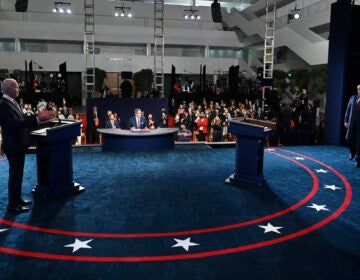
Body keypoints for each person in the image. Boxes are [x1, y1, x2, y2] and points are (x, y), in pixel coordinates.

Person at [0, 78, 52, 213]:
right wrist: (37, 119)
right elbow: (15, 124)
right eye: (16, 87)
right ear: (9, 89)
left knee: (19, 174)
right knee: (15, 175)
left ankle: (17, 199)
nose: (19, 89)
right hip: (13, 145)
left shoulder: (12, 102)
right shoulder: (3, 105)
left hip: (19, 145)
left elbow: (22, 119)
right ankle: (13, 205)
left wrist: (37, 116)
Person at [344, 84, 360, 168]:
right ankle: (352, 152)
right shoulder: (352, 98)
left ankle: (358, 159)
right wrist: (346, 121)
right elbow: (348, 110)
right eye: (359, 89)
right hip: (351, 123)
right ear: (357, 90)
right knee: (348, 139)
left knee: (358, 143)